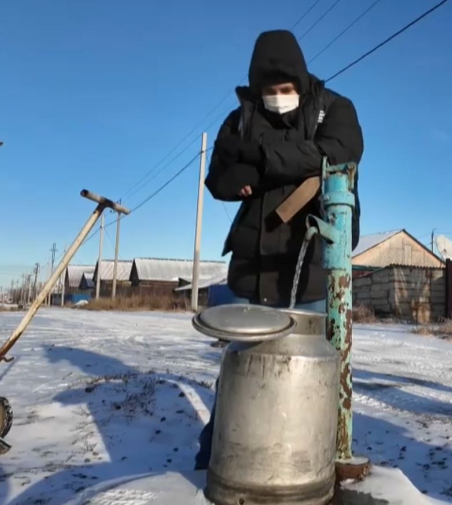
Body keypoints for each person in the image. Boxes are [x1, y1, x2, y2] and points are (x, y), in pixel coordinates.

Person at [196, 29, 364, 469]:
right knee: (241, 374)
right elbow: (218, 177)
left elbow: (338, 153)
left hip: (311, 268)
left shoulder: (334, 109)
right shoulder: (239, 118)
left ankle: (309, 462)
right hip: (252, 271)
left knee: (308, 377)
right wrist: (242, 175)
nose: (277, 97)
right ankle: (217, 459)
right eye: (269, 90)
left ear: (301, 81)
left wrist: (258, 158)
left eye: (286, 88)